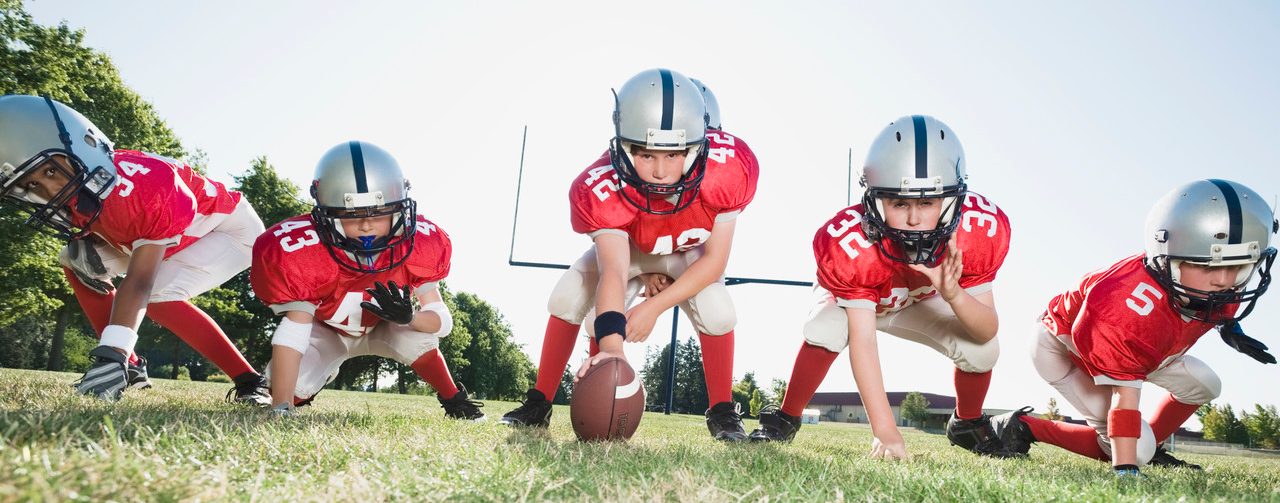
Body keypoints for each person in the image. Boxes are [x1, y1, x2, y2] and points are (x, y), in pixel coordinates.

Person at [499, 68, 759, 441]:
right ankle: (540, 402)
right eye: (645, 154)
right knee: (567, 297)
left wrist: (654, 305)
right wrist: (614, 349)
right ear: (623, 145)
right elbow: (615, 271)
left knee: (719, 310)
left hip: (686, 254)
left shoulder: (727, 172)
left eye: (675, 155)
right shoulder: (599, 185)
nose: (659, 172)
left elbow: (714, 262)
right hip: (631, 251)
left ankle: (722, 412)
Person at [750, 115, 1018, 459]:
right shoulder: (853, 244)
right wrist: (886, 431)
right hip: (855, 302)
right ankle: (786, 417)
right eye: (899, 203)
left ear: (951, 201)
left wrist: (955, 295)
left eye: (927, 203)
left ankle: (967, 422)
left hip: (915, 301)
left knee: (984, 351)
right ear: (875, 201)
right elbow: (864, 341)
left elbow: (986, 330)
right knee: (824, 328)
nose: (913, 218)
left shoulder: (975, 233)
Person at [995, 179, 1276, 476]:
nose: (1224, 281)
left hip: (1149, 348)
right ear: (1170, 260)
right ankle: (1025, 427)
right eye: (1208, 266)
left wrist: (1231, 329)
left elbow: (1218, 298)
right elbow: (1125, 401)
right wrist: (1126, 467)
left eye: (1239, 266)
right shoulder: (1124, 309)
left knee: (1204, 384)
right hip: (1064, 350)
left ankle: (1151, 448)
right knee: (1132, 450)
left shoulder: (1208, 285)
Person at [0, 94, 270, 403]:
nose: (48, 191)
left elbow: (140, 281)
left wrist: (112, 349)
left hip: (225, 230)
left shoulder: (147, 188)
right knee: (78, 261)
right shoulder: (86, 184)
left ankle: (250, 381)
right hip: (160, 231)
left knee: (156, 295)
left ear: (78, 147)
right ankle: (128, 365)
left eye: (49, 172)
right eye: (32, 185)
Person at [252, 140, 482, 420]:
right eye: (351, 215)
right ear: (326, 214)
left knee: (417, 337)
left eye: (378, 213)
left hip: (387, 326)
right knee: (290, 383)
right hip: (328, 329)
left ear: (400, 209)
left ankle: (455, 400)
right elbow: (294, 331)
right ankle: (299, 390)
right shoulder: (301, 251)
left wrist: (408, 317)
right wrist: (281, 406)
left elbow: (442, 322)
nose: (366, 225)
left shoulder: (421, 243)